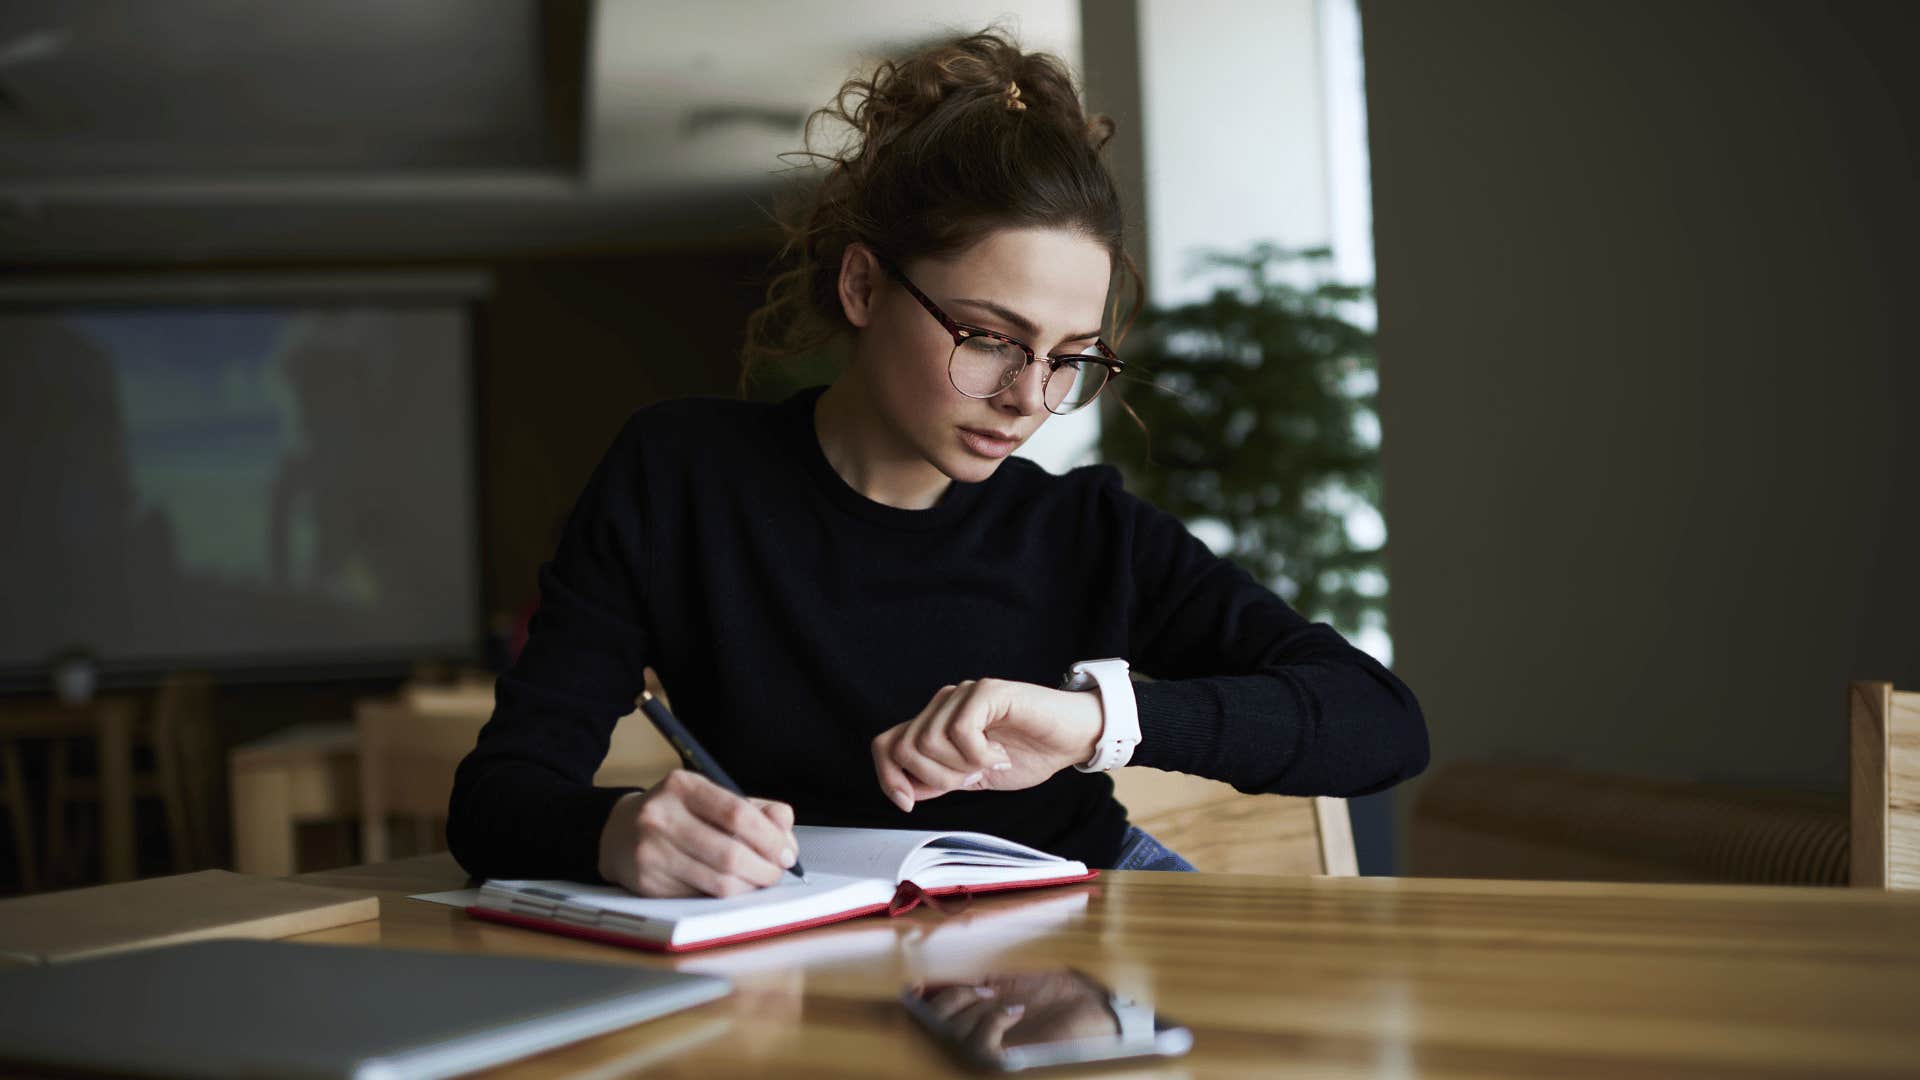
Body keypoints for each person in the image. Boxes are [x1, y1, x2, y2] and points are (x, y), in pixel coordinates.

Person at [447, 30, 1426, 898]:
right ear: (865, 285)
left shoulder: (1086, 529)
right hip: (807, 926)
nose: (1030, 398)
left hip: (1084, 910)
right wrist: (618, 832)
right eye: (990, 337)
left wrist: (1094, 723)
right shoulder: (679, 479)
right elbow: (499, 799)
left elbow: (1379, 723)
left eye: (1070, 357)